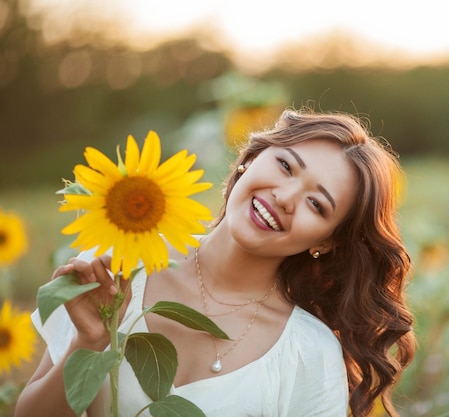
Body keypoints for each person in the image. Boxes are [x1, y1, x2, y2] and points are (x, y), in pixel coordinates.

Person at [15, 107, 416, 417]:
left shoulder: (308, 352)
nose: (285, 197)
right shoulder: (118, 265)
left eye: (316, 203)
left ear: (327, 242)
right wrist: (90, 342)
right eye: (285, 166)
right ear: (251, 158)